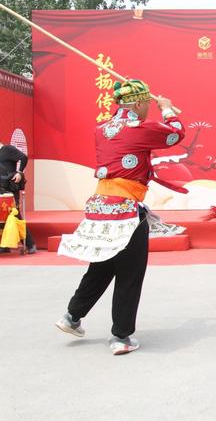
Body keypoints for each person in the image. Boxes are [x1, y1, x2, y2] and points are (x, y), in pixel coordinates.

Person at [55, 79, 186, 355]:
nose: (149, 108)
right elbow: (176, 134)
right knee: (130, 272)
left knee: (102, 266)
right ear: (138, 103)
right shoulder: (141, 127)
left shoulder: (101, 128)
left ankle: (72, 316)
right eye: (148, 104)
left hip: (100, 207)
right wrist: (168, 109)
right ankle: (122, 336)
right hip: (125, 210)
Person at [0, 141, 36, 253]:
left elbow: (23, 157)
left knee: (15, 215)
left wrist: (19, 172)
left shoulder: (7, 149)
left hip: (10, 188)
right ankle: (5, 245)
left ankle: (30, 244)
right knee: (2, 217)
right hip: (1, 188)